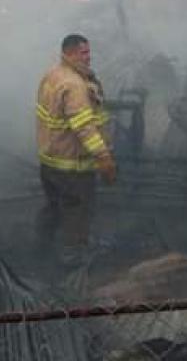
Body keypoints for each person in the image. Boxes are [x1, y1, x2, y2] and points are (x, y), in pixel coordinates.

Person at [35, 34, 118, 266]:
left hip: (50, 161)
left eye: (88, 52)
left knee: (54, 206)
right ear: (69, 53)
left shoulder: (51, 75)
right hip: (73, 166)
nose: (89, 57)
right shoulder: (74, 85)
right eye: (84, 53)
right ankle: (73, 259)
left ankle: (41, 247)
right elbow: (84, 127)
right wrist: (104, 156)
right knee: (77, 212)